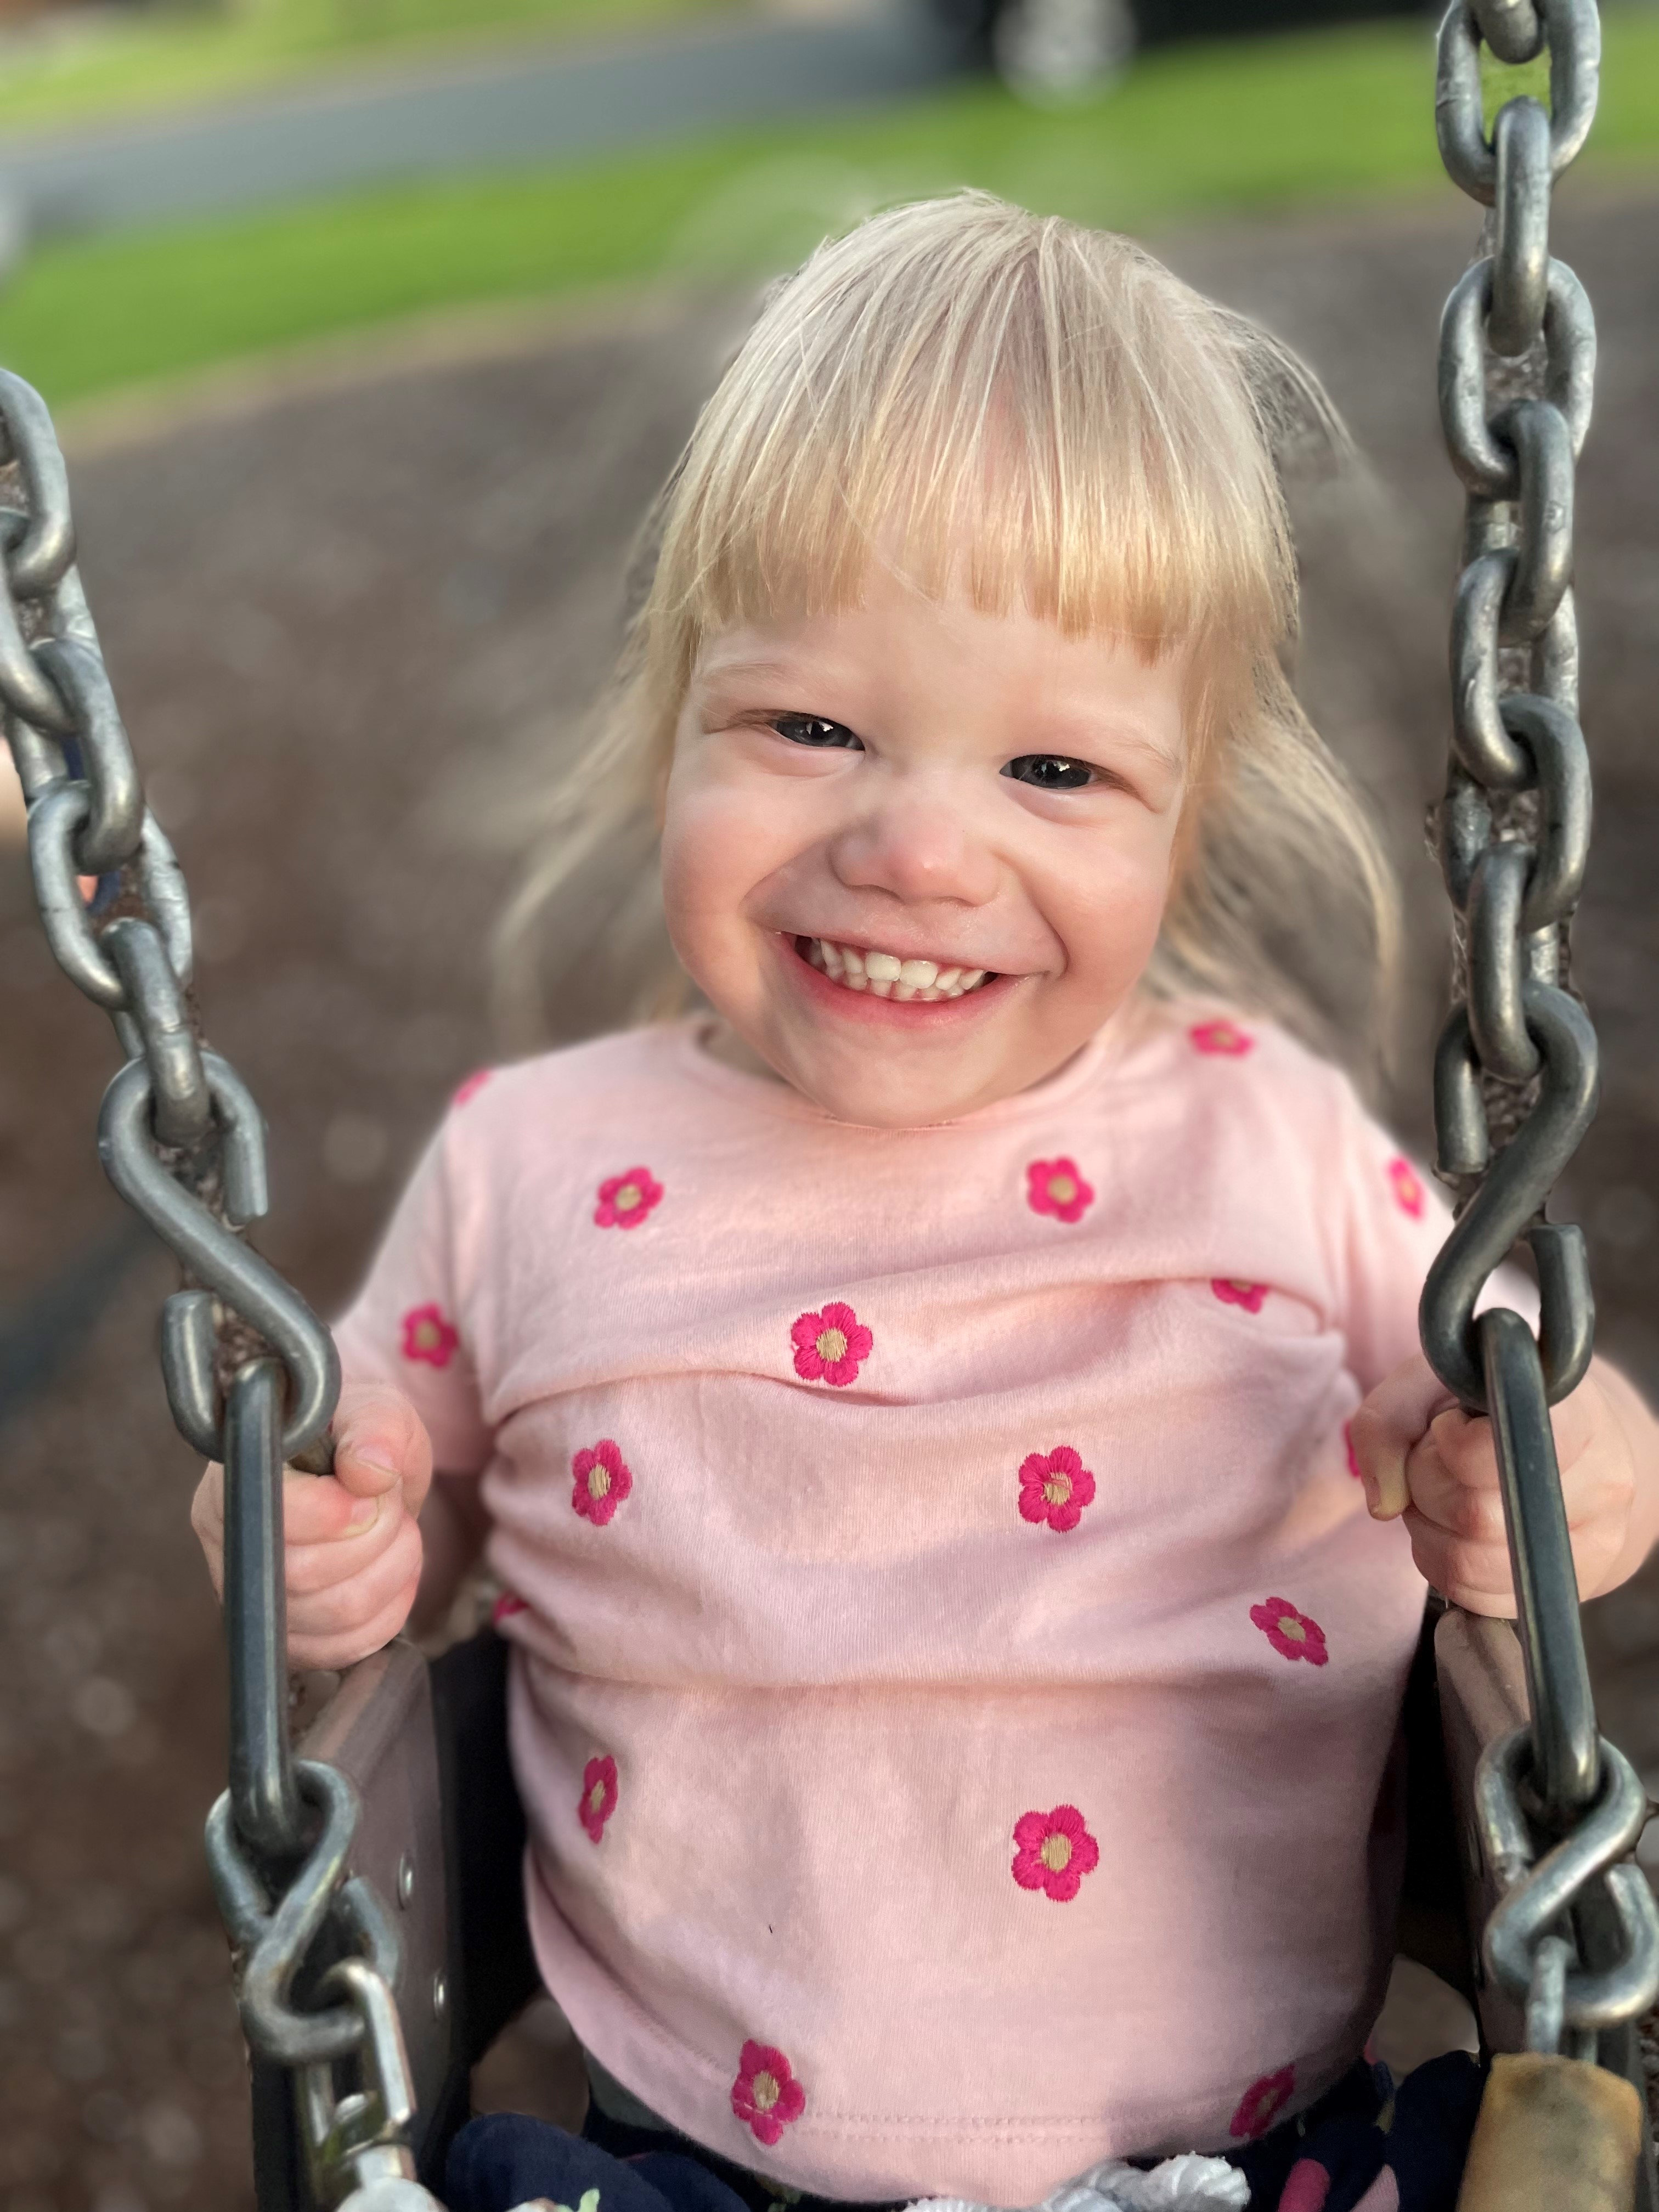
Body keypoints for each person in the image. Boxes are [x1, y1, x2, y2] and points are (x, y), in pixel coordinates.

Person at [189, 193, 1659, 2212]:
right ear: (672, 719)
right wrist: (328, 1530)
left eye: (1051, 773)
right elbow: (381, 1492)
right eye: (811, 730)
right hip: (684, 2161)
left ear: (1187, 813)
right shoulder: (534, 1164)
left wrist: (1545, 1463)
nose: (912, 848)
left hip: (1235, 2161)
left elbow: (1552, 1443)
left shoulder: (1270, 1144)